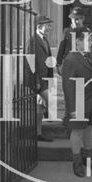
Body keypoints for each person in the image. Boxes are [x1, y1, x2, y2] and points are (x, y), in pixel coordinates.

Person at [62, 26, 92, 177]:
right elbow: (68, 86)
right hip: (78, 102)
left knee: (89, 129)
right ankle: (77, 162)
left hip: (90, 101)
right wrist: (73, 108)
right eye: (88, 39)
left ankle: (88, 158)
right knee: (77, 131)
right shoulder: (71, 59)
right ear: (78, 41)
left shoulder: (88, 56)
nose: (91, 42)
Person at [27, 14, 54, 142]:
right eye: (47, 26)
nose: (49, 28)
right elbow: (30, 62)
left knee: (40, 106)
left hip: (45, 78)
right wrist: (36, 81)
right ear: (39, 26)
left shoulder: (45, 39)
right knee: (51, 101)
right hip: (38, 79)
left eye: (49, 25)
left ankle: (37, 133)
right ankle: (68, 120)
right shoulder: (33, 40)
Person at [56, 6, 88, 75]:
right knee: (68, 84)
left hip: (82, 64)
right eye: (74, 19)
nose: (76, 21)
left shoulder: (87, 32)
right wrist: (58, 64)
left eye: (78, 19)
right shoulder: (67, 31)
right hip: (69, 62)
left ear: (83, 19)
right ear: (71, 19)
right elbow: (62, 48)